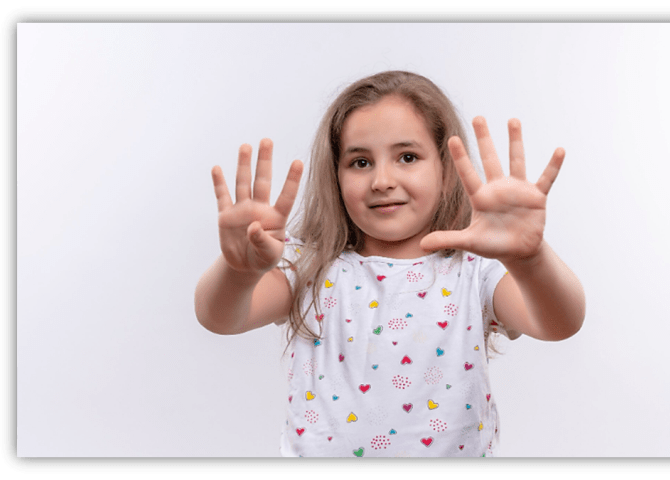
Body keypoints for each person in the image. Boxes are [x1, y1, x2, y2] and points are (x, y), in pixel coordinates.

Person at [194, 71, 586, 457]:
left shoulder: (475, 270)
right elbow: (221, 317)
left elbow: (559, 323)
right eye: (360, 162)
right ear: (337, 178)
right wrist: (239, 272)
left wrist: (530, 260)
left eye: (407, 157)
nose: (382, 180)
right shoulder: (309, 266)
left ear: (447, 172)